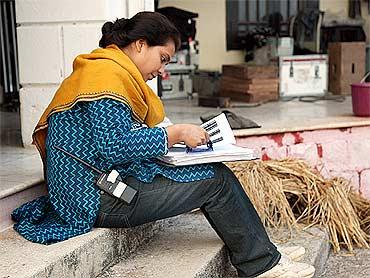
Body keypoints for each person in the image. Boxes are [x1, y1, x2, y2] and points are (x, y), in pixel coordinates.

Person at [12, 12, 315, 277]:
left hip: (99, 185)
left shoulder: (105, 71)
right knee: (216, 181)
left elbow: (111, 143)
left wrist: (173, 140)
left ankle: (262, 248)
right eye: (163, 59)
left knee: (210, 171)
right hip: (96, 199)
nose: (162, 70)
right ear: (140, 44)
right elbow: (113, 146)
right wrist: (175, 134)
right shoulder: (106, 76)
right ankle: (261, 264)